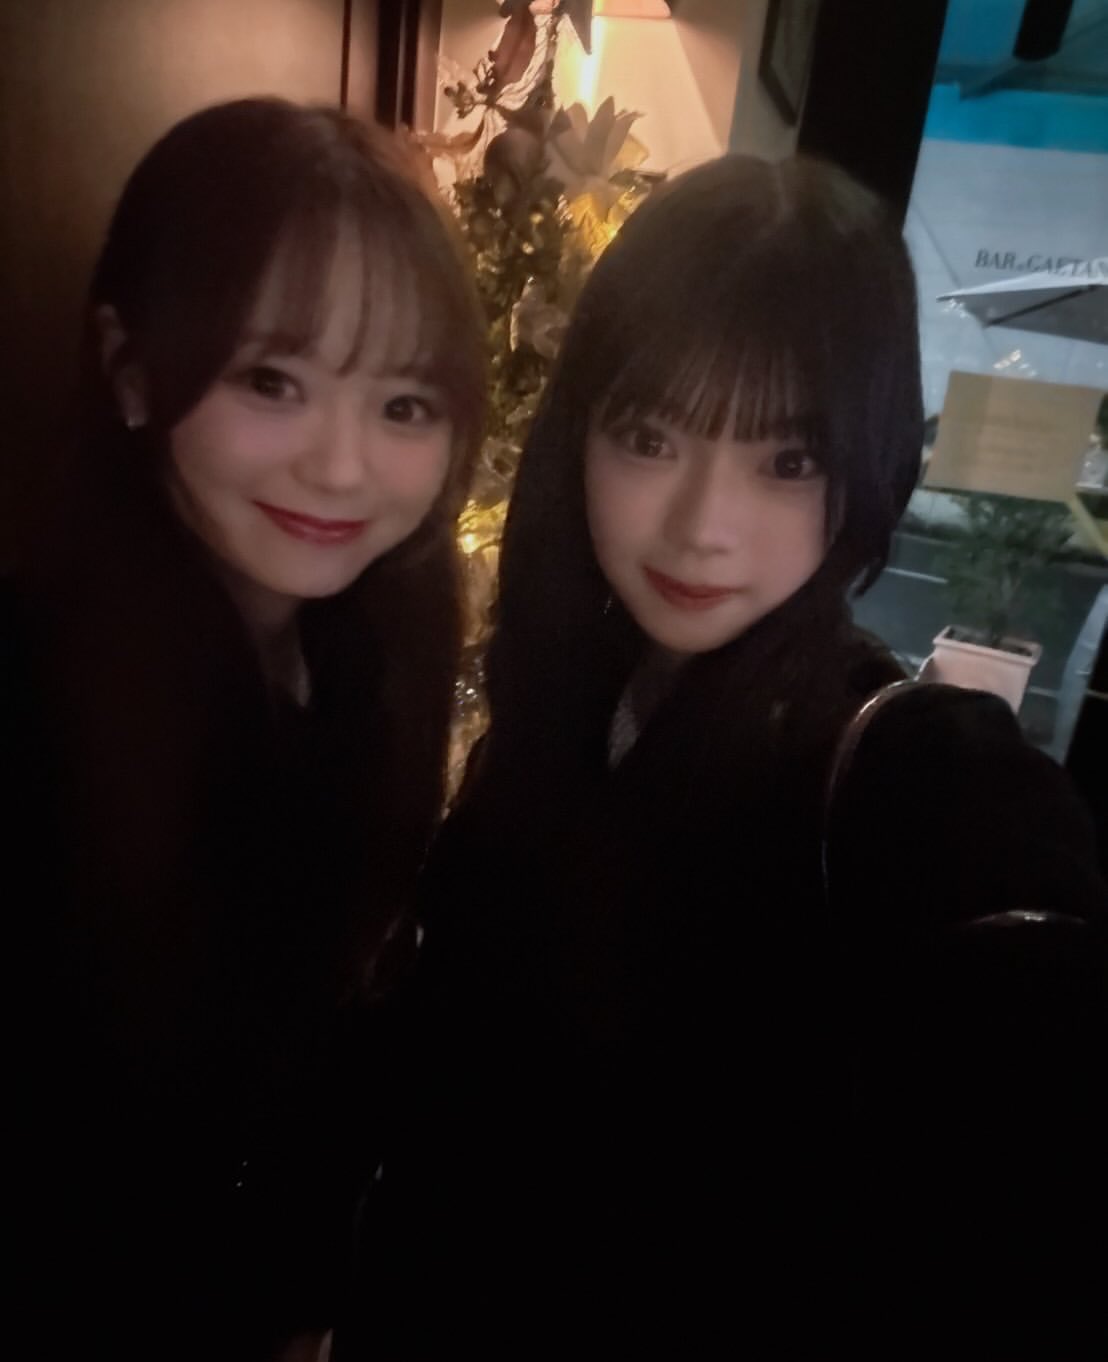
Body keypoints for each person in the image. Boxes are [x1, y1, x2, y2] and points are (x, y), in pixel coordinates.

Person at [348, 154, 1108, 1353]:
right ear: (580, 432)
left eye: (785, 461)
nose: (702, 525)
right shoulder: (565, 705)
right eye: (649, 436)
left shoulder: (907, 773)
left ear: (862, 467)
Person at [4, 97, 484, 1360]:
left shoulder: (368, 649)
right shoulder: (37, 698)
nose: (342, 467)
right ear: (129, 369)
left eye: (403, 404)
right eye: (274, 381)